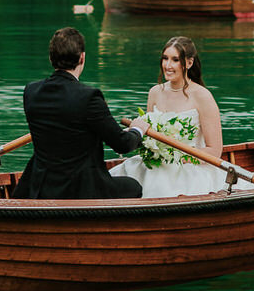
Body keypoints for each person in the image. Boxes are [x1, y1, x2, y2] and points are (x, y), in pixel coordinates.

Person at [13, 26, 148, 199]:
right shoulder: (89, 97)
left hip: (40, 188)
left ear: (50, 58)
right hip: (81, 190)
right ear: (82, 57)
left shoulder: (31, 92)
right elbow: (122, 144)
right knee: (133, 187)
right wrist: (137, 130)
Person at [114, 35, 233, 199]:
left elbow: (214, 150)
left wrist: (180, 158)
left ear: (189, 63)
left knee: (161, 185)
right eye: (165, 59)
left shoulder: (202, 96)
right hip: (156, 164)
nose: (167, 65)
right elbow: (148, 133)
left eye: (175, 60)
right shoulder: (155, 92)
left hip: (190, 168)